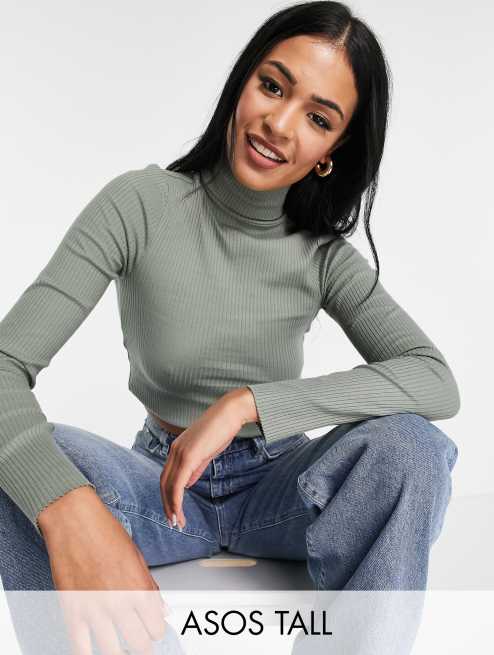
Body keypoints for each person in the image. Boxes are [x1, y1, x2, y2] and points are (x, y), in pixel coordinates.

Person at [0, 0, 459, 652]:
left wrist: (248, 404)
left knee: (410, 448)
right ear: (242, 81)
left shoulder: (322, 256)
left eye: (318, 118)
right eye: (272, 86)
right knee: (24, 462)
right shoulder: (139, 205)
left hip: (284, 489)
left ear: (332, 150)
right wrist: (66, 508)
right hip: (159, 491)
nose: (279, 123)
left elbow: (434, 380)